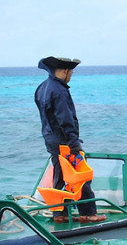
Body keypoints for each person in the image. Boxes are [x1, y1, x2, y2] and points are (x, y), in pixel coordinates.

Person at [34, 56, 106, 223]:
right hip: (64, 141)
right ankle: (88, 213)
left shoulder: (42, 88)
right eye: (71, 72)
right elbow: (65, 119)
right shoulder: (59, 90)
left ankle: (60, 214)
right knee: (80, 176)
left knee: (60, 176)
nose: (71, 76)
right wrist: (74, 144)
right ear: (65, 71)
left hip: (50, 140)